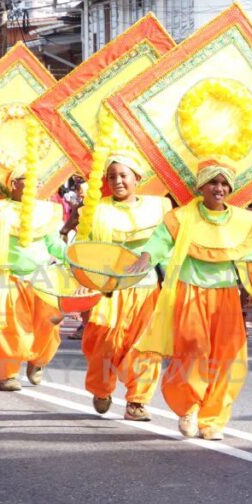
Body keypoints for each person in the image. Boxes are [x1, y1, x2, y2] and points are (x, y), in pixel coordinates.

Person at [128, 159, 252, 440]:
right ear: (201, 186)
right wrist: (144, 257)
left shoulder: (240, 221)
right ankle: (188, 407)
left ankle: (212, 419)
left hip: (226, 296)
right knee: (192, 353)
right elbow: (158, 242)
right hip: (190, 293)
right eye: (213, 182)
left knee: (228, 359)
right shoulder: (182, 218)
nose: (219, 187)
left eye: (224, 182)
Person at [78, 152, 171, 421]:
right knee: (102, 344)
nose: (117, 181)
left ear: (137, 178)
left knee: (146, 346)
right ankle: (101, 389)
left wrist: (170, 283)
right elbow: (84, 250)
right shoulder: (95, 210)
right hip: (108, 291)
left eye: (123, 175)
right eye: (112, 176)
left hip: (146, 289)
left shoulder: (159, 208)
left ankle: (137, 401)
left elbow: (165, 249)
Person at [0, 170, 65, 390]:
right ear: (14, 184)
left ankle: (38, 360)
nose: (35, 186)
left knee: (50, 323)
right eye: (28, 181)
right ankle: (7, 374)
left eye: (38, 182)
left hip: (42, 275)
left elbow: (55, 245)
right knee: (5, 327)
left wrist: (78, 257)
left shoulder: (46, 211)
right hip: (7, 276)